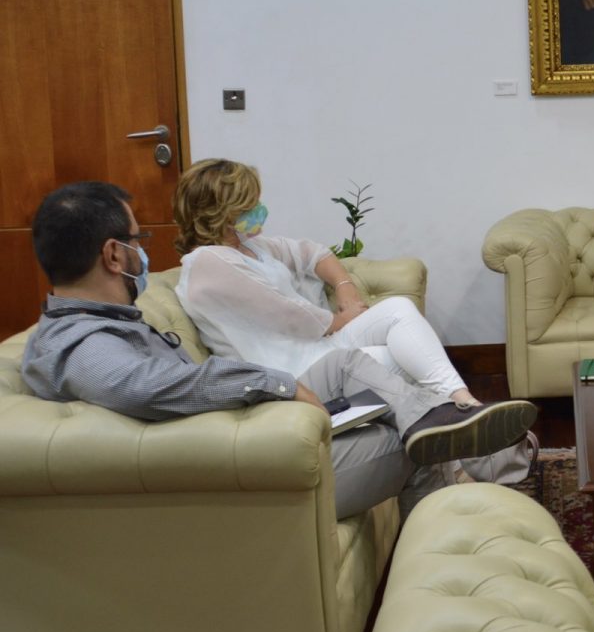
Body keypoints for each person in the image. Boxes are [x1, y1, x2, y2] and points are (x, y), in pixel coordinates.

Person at [20, 182, 539, 519]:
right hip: (249, 464)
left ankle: (441, 422)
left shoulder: (94, 324)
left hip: (246, 434)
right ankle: (470, 496)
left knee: (353, 367)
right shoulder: (82, 346)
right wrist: (276, 383)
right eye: (138, 241)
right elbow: (142, 386)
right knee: (405, 438)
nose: (144, 252)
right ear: (114, 255)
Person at [171, 158, 478, 405]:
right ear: (222, 213)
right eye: (249, 204)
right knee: (403, 360)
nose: (259, 209)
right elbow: (286, 313)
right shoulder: (208, 262)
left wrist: (345, 287)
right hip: (292, 371)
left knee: (399, 309)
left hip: (319, 348)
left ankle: (462, 400)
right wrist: (344, 318)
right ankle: (459, 416)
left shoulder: (249, 246)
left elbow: (311, 253)